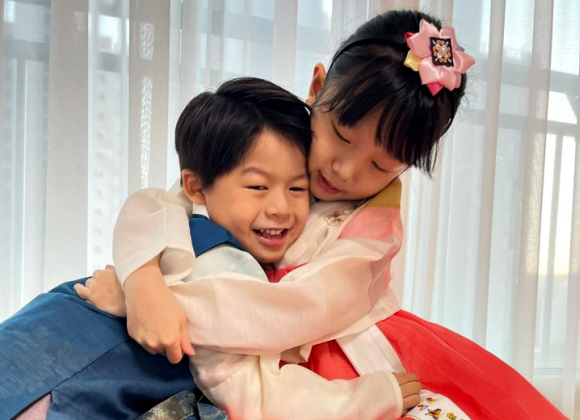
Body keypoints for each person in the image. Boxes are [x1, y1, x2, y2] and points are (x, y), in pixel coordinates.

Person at [82, 9, 566, 420]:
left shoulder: (373, 229)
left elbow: (294, 312)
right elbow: (160, 203)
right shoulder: (275, 141)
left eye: (381, 165)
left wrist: (156, 304)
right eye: (341, 134)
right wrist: (142, 281)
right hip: (237, 344)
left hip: (337, 360)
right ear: (317, 88)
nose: (344, 170)